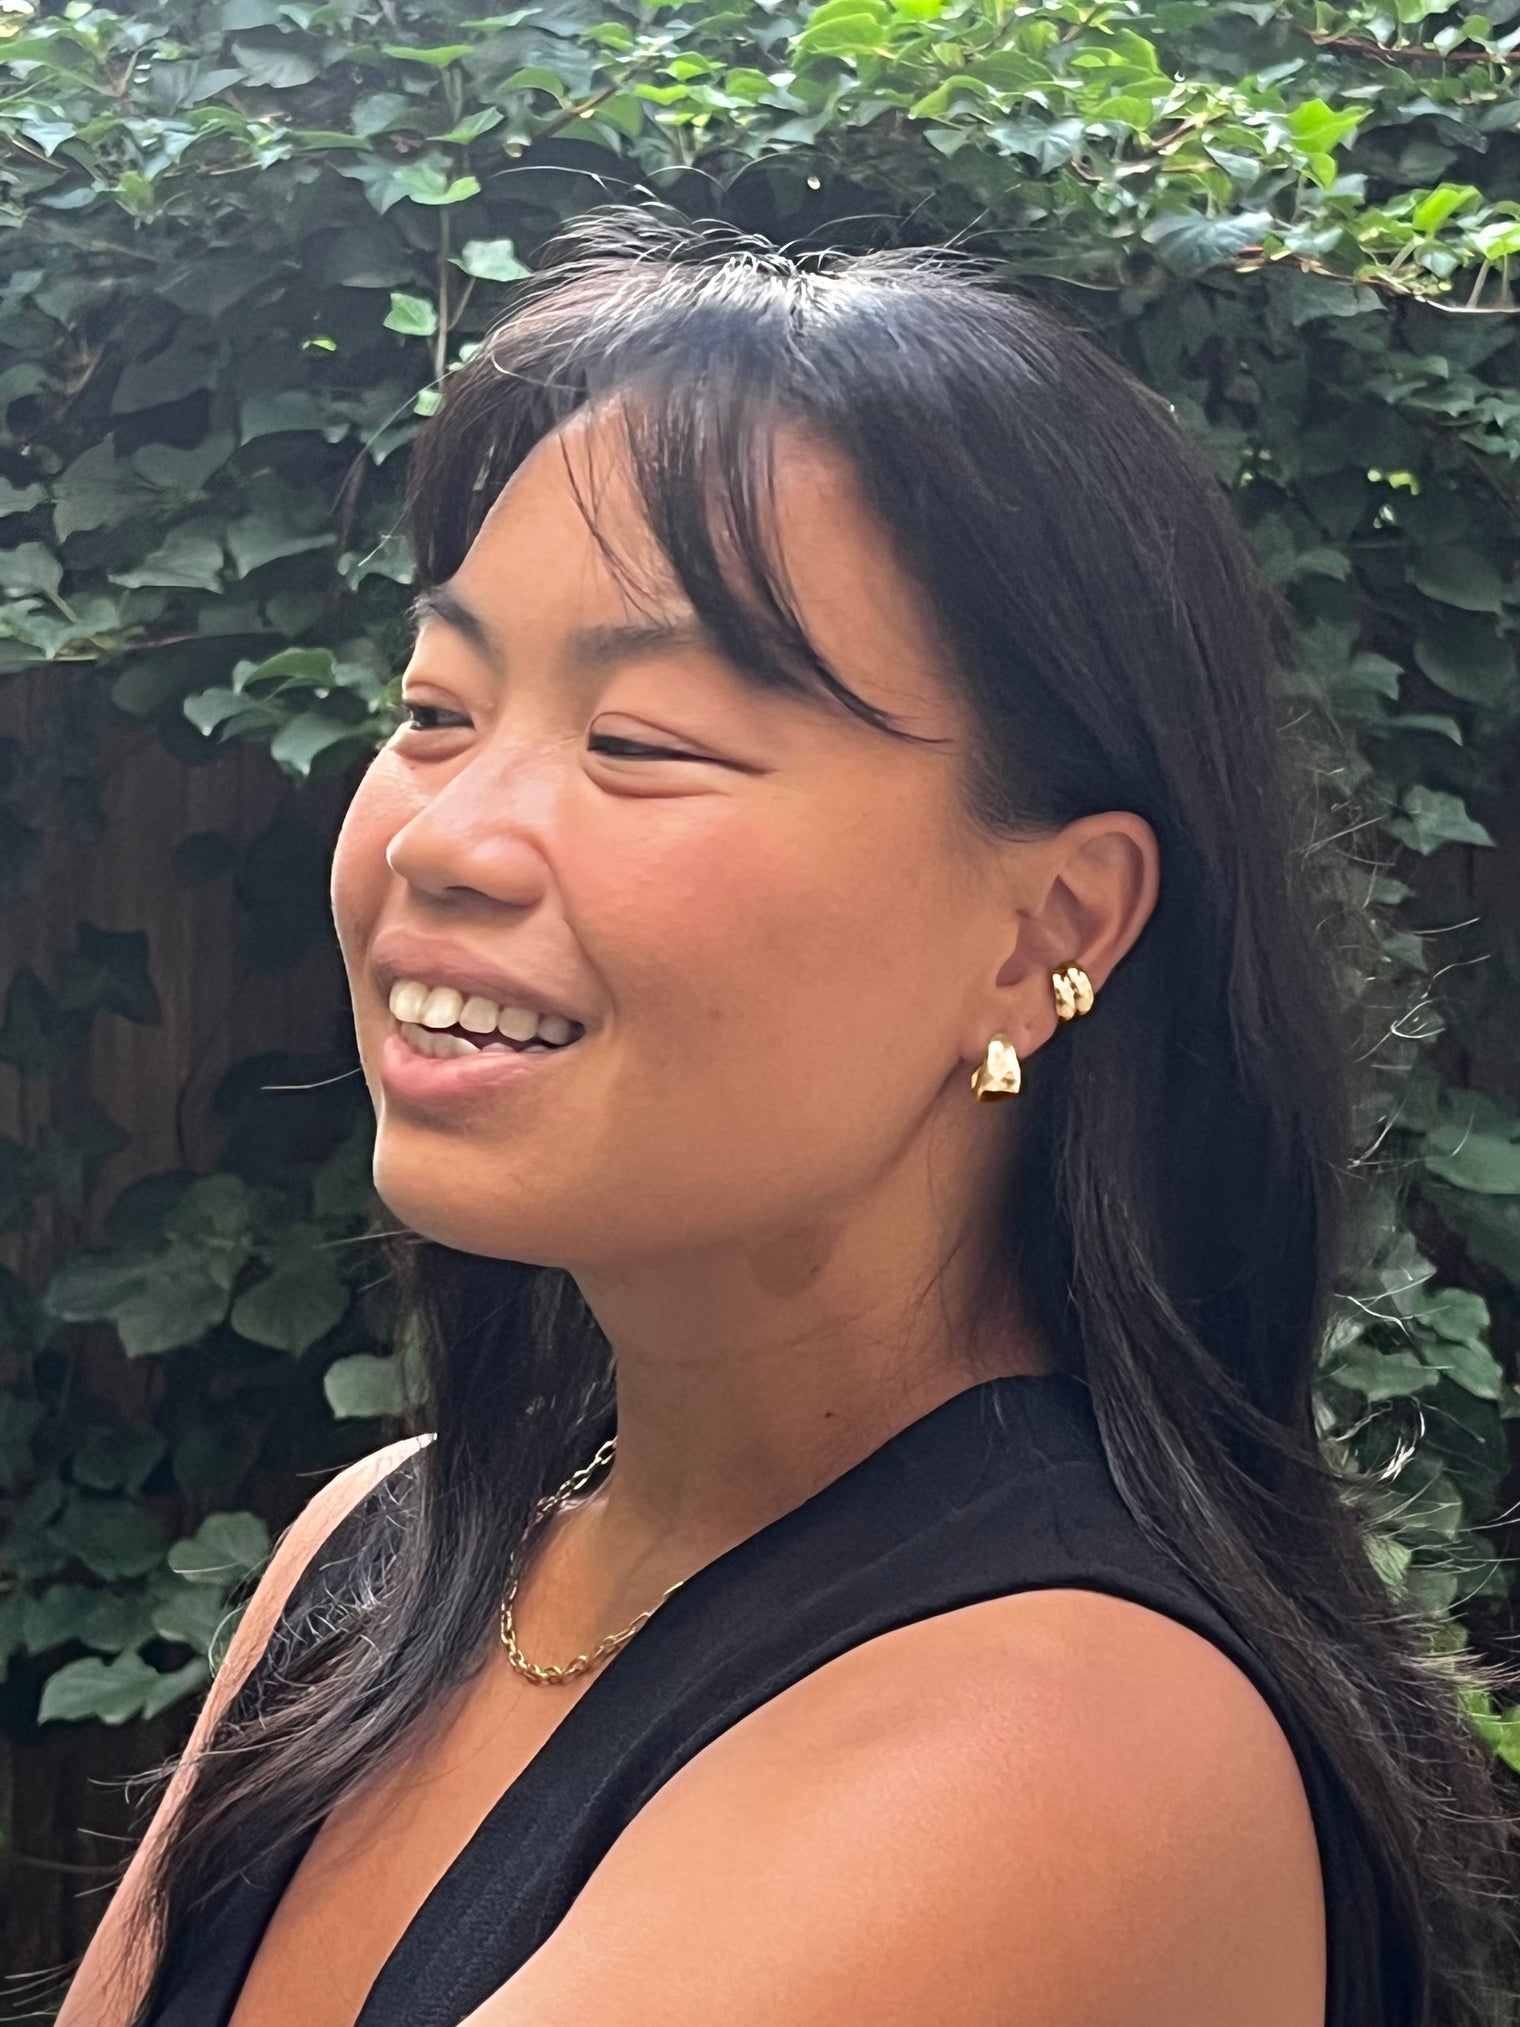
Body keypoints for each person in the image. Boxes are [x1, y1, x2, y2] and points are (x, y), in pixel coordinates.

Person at [61, 205, 1517, 2027]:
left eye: (645, 740)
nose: (438, 834)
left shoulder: (1055, 1756)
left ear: (1045, 933)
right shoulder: (380, 1554)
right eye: (436, 707)